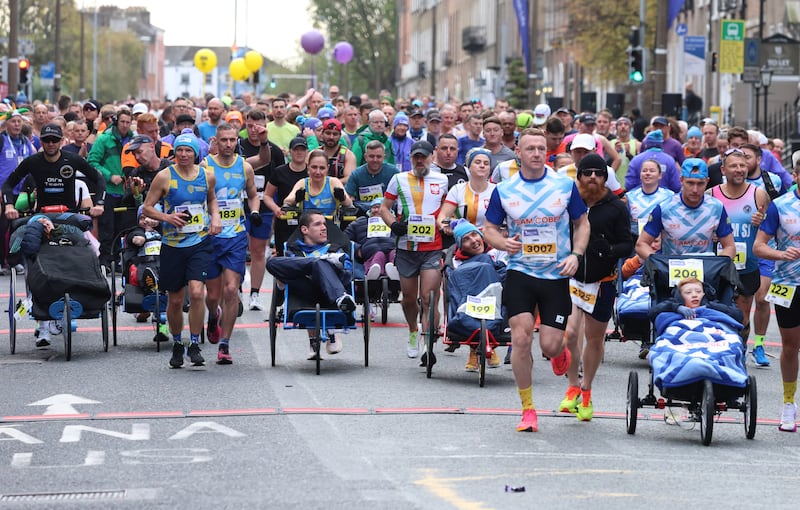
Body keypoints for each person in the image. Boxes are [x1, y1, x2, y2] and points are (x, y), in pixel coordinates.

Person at [482, 128, 590, 432]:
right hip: (520, 272)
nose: (537, 153)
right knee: (520, 338)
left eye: (541, 148)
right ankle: (528, 409)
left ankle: (560, 353)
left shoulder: (564, 186)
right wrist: (502, 243)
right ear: (518, 152)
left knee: (550, 346)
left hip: (556, 274)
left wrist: (576, 254)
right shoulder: (505, 190)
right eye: (530, 148)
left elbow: (582, 223)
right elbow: (489, 229)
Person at [559, 154, 632, 422]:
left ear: (605, 177)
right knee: (570, 332)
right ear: (578, 176)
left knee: (594, 338)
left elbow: (628, 244)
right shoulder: (568, 202)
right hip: (571, 278)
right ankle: (572, 386)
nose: (592, 177)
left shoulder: (616, 207)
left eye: (598, 173)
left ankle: (586, 389)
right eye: (587, 172)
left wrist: (609, 250)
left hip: (602, 281)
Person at [141, 132, 222, 369]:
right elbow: (147, 208)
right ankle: (178, 343)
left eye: (188, 151)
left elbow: (212, 200)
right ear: (174, 152)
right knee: (175, 300)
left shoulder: (207, 176)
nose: (184, 155)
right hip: (172, 245)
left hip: (199, 242)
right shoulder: (164, 176)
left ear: (196, 153)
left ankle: (194, 344)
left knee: (196, 293)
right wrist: (167, 217)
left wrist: (215, 217)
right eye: (179, 150)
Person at [380, 140, 448, 360]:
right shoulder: (398, 179)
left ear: (431, 157)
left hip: (432, 247)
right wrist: (393, 224)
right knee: (409, 299)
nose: (420, 161)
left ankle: (428, 345)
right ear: (410, 158)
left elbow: (447, 210)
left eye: (424, 157)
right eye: (416, 157)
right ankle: (412, 330)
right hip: (406, 247)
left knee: (429, 297)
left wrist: (446, 224)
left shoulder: (442, 180)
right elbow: (384, 208)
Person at [201, 123, 261, 364]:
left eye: (232, 140)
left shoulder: (244, 167)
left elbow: (253, 194)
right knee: (212, 295)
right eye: (224, 140)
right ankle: (213, 314)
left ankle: (224, 344)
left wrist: (254, 211)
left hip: (235, 235)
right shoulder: (205, 165)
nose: (228, 144)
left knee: (230, 290)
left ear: (237, 141)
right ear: (216, 141)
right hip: (211, 236)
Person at [266, 211, 357, 359]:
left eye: (324, 224)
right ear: (304, 230)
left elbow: (347, 273)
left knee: (322, 264)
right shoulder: (294, 250)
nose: (324, 228)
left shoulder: (335, 249)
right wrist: (318, 262)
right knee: (272, 262)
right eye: (318, 224)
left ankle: (338, 303)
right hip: (306, 290)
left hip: (332, 291)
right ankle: (319, 262)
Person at [710, 148, 771, 366]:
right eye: (734, 166)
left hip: (747, 264)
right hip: (718, 264)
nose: (739, 170)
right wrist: (711, 232)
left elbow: (771, 228)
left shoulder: (758, 194)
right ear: (723, 170)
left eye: (743, 165)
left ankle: (740, 351)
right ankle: (718, 351)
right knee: (716, 312)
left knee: (743, 316)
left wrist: (761, 222)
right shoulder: (711, 195)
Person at [753, 164, 800, 432]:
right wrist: (781, 254)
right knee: (790, 346)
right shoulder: (780, 206)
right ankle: (788, 403)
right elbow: (759, 247)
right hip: (788, 285)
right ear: (796, 176)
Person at [636, 158, 735, 259]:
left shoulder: (716, 207)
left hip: (706, 267)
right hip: (671, 267)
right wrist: (659, 264)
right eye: (690, 183)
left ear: (707, 181)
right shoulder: (664, 208)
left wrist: (718, 265)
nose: (695, 190)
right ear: (681, 180)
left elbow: (730, 247)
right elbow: (641, 244)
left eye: (700, 184)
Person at [449, 220, 507, 370]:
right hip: (468, 300)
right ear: (461, 246)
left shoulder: (494, 253)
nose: (473, 241)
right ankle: (477, 346)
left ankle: (484, 343)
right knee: (485, 265)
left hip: (494, 296)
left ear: (481, 235)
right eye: (466, 239)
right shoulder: (456, 262)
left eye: (474, 235)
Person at [87, 107, 134, 269]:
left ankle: (118, 260)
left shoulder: (133, 140)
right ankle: (105, 260)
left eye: (128, 122)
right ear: (116, 122)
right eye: (122, 122)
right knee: (107, 227)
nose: (125, 125)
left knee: (123, 229)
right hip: (109, 190)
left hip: (127, 192)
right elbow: (92, 161)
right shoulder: (104, 139)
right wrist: (109, 176)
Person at [263, 136, 310, 256]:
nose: (299, 152)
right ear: (290, 152)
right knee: (283, 256)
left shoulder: (312, 172)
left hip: (307, 220)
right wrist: (276, 209)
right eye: (296, 149)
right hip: (285, 220)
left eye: (302, 149)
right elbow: (267, 195)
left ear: (307, 152)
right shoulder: (280, 172)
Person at [438, 147, 495, 236]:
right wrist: (446, 225)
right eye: (477, 162)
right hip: (464, 238)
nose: (482, 165)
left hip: (489, 239)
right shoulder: (457, 189)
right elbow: (443, 216)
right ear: (469, 167)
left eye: (486, 163)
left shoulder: (497, 190)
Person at [282, 149, 352, 215]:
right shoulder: (302, 183)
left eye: (322, 168)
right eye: (314, 167)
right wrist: (296, 199)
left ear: (327, 168)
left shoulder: (334, 182)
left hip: (330, 222)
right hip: (307, 223)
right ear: (308, 166)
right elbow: (287, 201)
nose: (318, 172)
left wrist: (342, 198)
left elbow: (349, 203)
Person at [344, 197, 398, 280]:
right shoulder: (359, 222)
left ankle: (395, 270)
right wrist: (357, 249)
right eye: (374, 207)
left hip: (391, 247)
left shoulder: (395, 222)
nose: (376, 210)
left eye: (379, 207)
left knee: (394, 255)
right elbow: (344, 239)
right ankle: (373, 271)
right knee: (379, 255)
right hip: (370, 249)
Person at [626, 158, 674, 240]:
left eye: (652, 171)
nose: (647, 173)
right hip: (635, 240)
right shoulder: (629, 196)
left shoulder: (670, 196)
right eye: (644, 171)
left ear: (660, 175)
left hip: (662, 240)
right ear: (640, 175)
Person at [344, 141, 398, 215]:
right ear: (365, 157)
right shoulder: (356, 174)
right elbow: (348, 196)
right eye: (371, 156)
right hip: (363, 213)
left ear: (384, 157)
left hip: (389, 212)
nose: (375, 160)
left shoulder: (394, 173)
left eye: (378, 157)